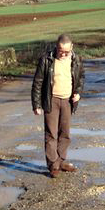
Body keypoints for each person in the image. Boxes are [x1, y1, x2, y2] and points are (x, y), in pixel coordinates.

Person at [31, 34, 85, 177]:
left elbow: (81, 78)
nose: (63, 54)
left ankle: (61, 161)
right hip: (51, 100)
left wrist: (78, 93)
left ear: (71, 48)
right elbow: (38, 82)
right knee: (51, 134)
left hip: (68, 101)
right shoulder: (47, 59)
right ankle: (53, 165)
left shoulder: (76, 59)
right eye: (61, 51)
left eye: (66, 52)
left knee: (65, 134)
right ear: (56, 47)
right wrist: (36, 104)